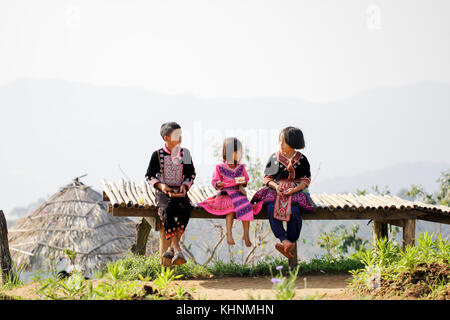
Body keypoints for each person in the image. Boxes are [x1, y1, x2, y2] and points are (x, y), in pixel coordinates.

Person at [251, 127, 315, 259]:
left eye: (284, 141)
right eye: (280, 141)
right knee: (270, 206)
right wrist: (276, 187)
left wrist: (294, 189)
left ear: (294, 142)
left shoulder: (302, 159)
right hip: (277, 189)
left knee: (295, 210)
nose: (280, 144)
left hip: (296, 189)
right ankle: (284, 240)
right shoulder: (275, 157)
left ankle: (290, 241)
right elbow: (268, 178)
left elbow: (305, 180)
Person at [145, 122, 196, 265]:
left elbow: (190, 174)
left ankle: (172, 249)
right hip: (163, 192)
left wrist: (185, 186)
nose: (180, 138)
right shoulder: (157, 155)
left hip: (180, 191)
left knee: (186, 209)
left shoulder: (184, 153)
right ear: (166, 138)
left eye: (180, 135)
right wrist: (162, 186)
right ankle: (177, 248)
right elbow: (149, 176)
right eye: (176, 135)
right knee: (166, 210)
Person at [198, 137, 263, 247]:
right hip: (225, 195)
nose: (240, 154)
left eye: (240, 152)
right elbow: (214, 181)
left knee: (246, 206)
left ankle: (246, 235)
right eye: (237, 152)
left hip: (238, 193)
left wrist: (241, 181)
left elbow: (246, 180)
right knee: (231, 209)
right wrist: (218, 183)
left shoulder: (241, 167)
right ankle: (229, 234)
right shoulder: (219, 167)